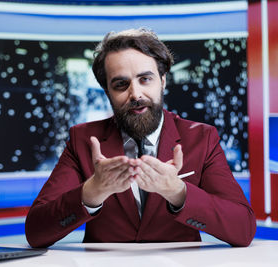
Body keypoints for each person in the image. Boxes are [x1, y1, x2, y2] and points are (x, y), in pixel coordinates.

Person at [25, 28, 256, 248]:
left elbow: (243, 229)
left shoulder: (202, 138)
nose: (135, 94)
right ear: (107, 91)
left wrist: (177, 191)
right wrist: (93, 191)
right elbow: (36, 232)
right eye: (120, 84)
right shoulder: (83, 139)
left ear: (163, 80)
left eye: (145, 79)